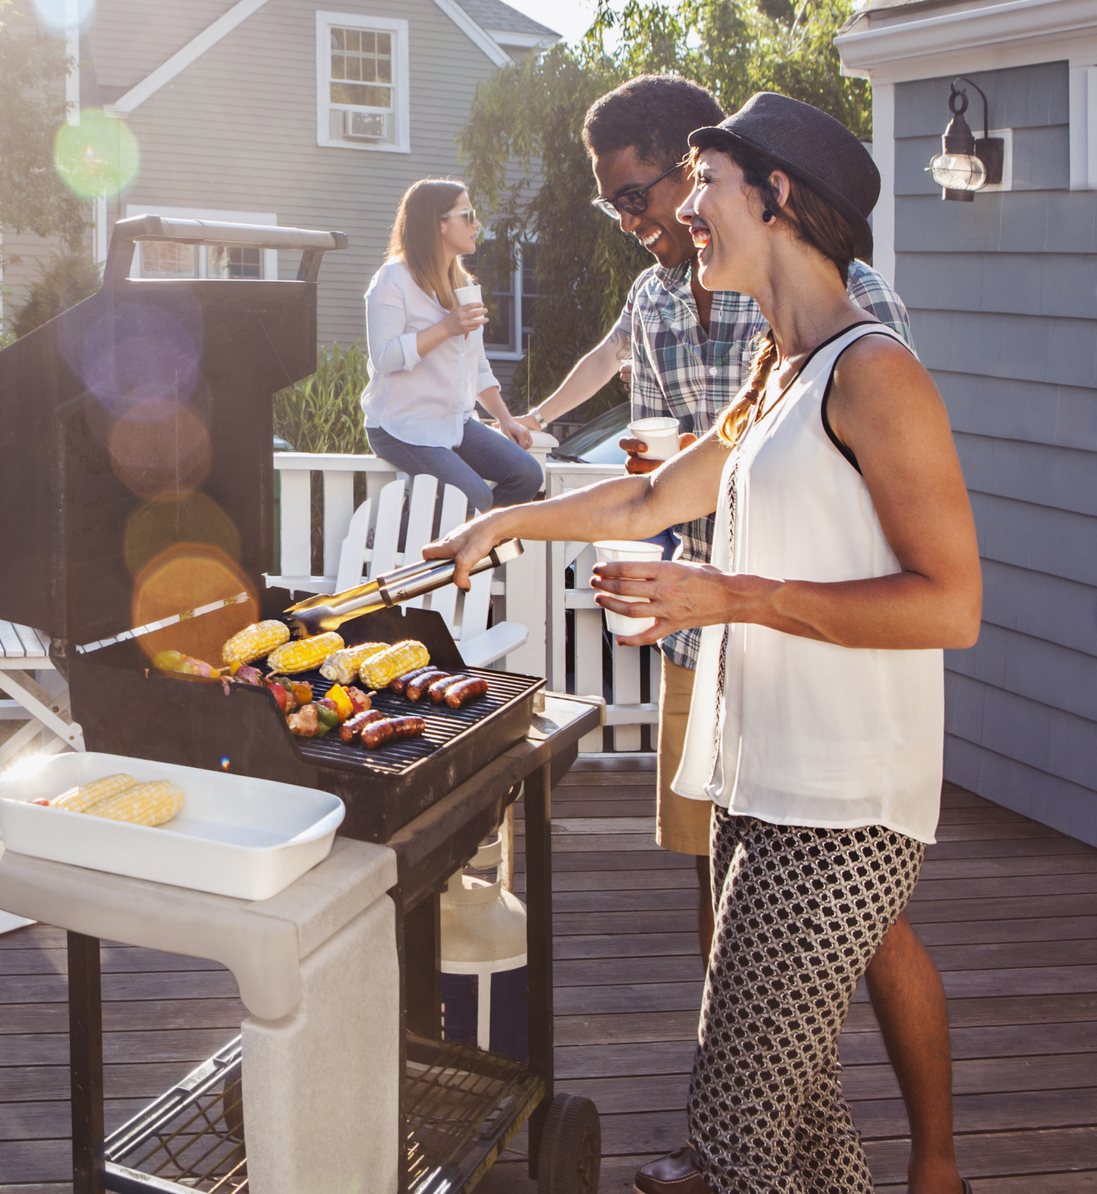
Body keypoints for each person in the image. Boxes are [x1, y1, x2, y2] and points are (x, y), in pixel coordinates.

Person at [432, 94, 980, 1194]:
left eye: (706, 182)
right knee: (810, 1132)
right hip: (756, 788)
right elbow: (646, 502)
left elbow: (949, 604)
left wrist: (727, 593)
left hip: (842, 810)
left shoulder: (875, 373)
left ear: (776, 196)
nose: (687, 212)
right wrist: (502, 523)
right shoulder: (779, 376)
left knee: (733, 1137)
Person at [360, 178, 543, 514]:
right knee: (474, 496)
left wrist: (505, 418)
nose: (478, 225)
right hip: (401, 426)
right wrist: (445, 327)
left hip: (453, 423)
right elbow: (384, 358)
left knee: (527, 475)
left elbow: (476, 365)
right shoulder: (392, 279)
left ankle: (468, 549)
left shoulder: (464, 285)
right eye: (468, 216)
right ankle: (395, 537)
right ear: (437, 223)